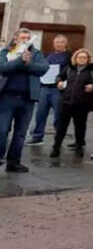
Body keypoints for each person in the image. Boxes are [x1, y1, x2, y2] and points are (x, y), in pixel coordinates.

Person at [0, 28, 50, 172]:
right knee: (2, 131)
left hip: (27, 99)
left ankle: (14, 162)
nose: (25, 40)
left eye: (27, 37)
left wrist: (28, 64)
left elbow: (43, 68)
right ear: (15, 39)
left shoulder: (36, 53)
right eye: (22, 37)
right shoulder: (6, 51)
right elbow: (3, 67)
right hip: (6, 98)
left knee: (21, 132)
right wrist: (20, 61)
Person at [50, 48, 93, 158]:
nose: (82, 59)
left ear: (88, 59)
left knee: (80, 127)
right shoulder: (69, 68)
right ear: (75, 58)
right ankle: (56, 147)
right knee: (61, 127)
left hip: (82, 103)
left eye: (84, 58)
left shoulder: (92, 71)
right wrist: (58, 82)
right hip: (67, 102)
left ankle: (79, 147)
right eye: (80, 57)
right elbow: (59, 76)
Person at [28, 34, 70, 146]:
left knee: (58, 116)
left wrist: (63, 82)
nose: (59, 44)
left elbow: (70, 71)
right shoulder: (48, 55)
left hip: (58, 89)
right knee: (40, 114)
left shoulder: (69, 56)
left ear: (65, 43)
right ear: (53, 44)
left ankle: (58, 139)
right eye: (57, 42)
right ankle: (37, 137)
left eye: (61, 42)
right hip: (45, 87)